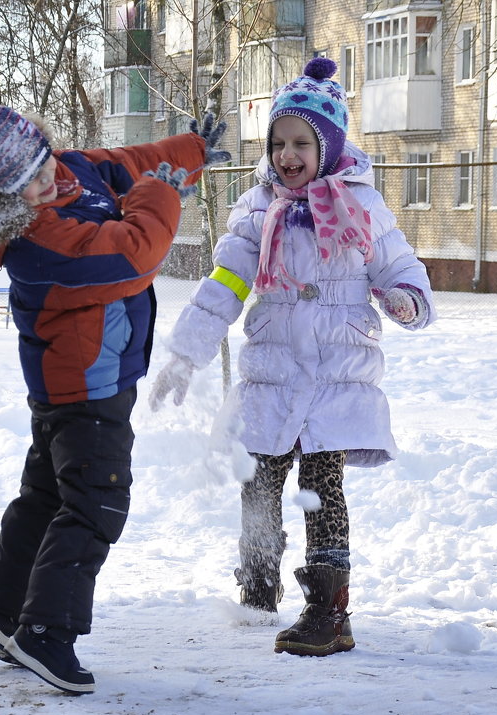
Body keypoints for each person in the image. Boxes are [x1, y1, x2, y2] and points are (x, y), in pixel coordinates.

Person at [0, 104, 230, 693]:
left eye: (46, 165)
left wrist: (190, 153)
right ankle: (46, 634)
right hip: (88, 387)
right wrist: (161, 194)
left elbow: (129, 164)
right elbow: (136, 252)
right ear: (0, 202)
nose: (50, 181)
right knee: (96, 505)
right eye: (31, 183)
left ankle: (6, 616)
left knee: (45, 497)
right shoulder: (38, 240)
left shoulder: (65, 171)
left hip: (77, 380)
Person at [148, 58, 435, 657]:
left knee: (322, 486)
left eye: (302, 142)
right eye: (279, 142)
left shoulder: (362, 206)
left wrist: (407, 300)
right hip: (273, 373)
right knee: (257, 480)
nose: (287, 154)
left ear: (328, 145)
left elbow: (399, 266)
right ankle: (256, 589)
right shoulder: (257, 210)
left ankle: (330, 612)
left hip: (336, 374)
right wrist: (187, 353)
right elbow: (224, 284)